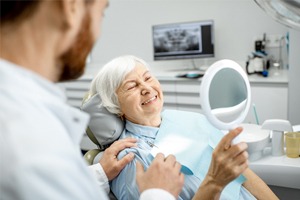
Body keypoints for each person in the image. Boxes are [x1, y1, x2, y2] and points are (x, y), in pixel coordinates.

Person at [0, 1, 183, 200]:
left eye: (147, 78)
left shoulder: (25, 117)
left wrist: (100, 172)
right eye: (102, 12)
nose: (146, 89)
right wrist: (158, 194)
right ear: (71, 6)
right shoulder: (25, 139)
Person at [88, 55, 279, 200]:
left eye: (148, 78)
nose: (146, 88)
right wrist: (214, 181)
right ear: (116, 105)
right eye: (131, 86)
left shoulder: (189, 119)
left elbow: (243, 173)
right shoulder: (131, 159)